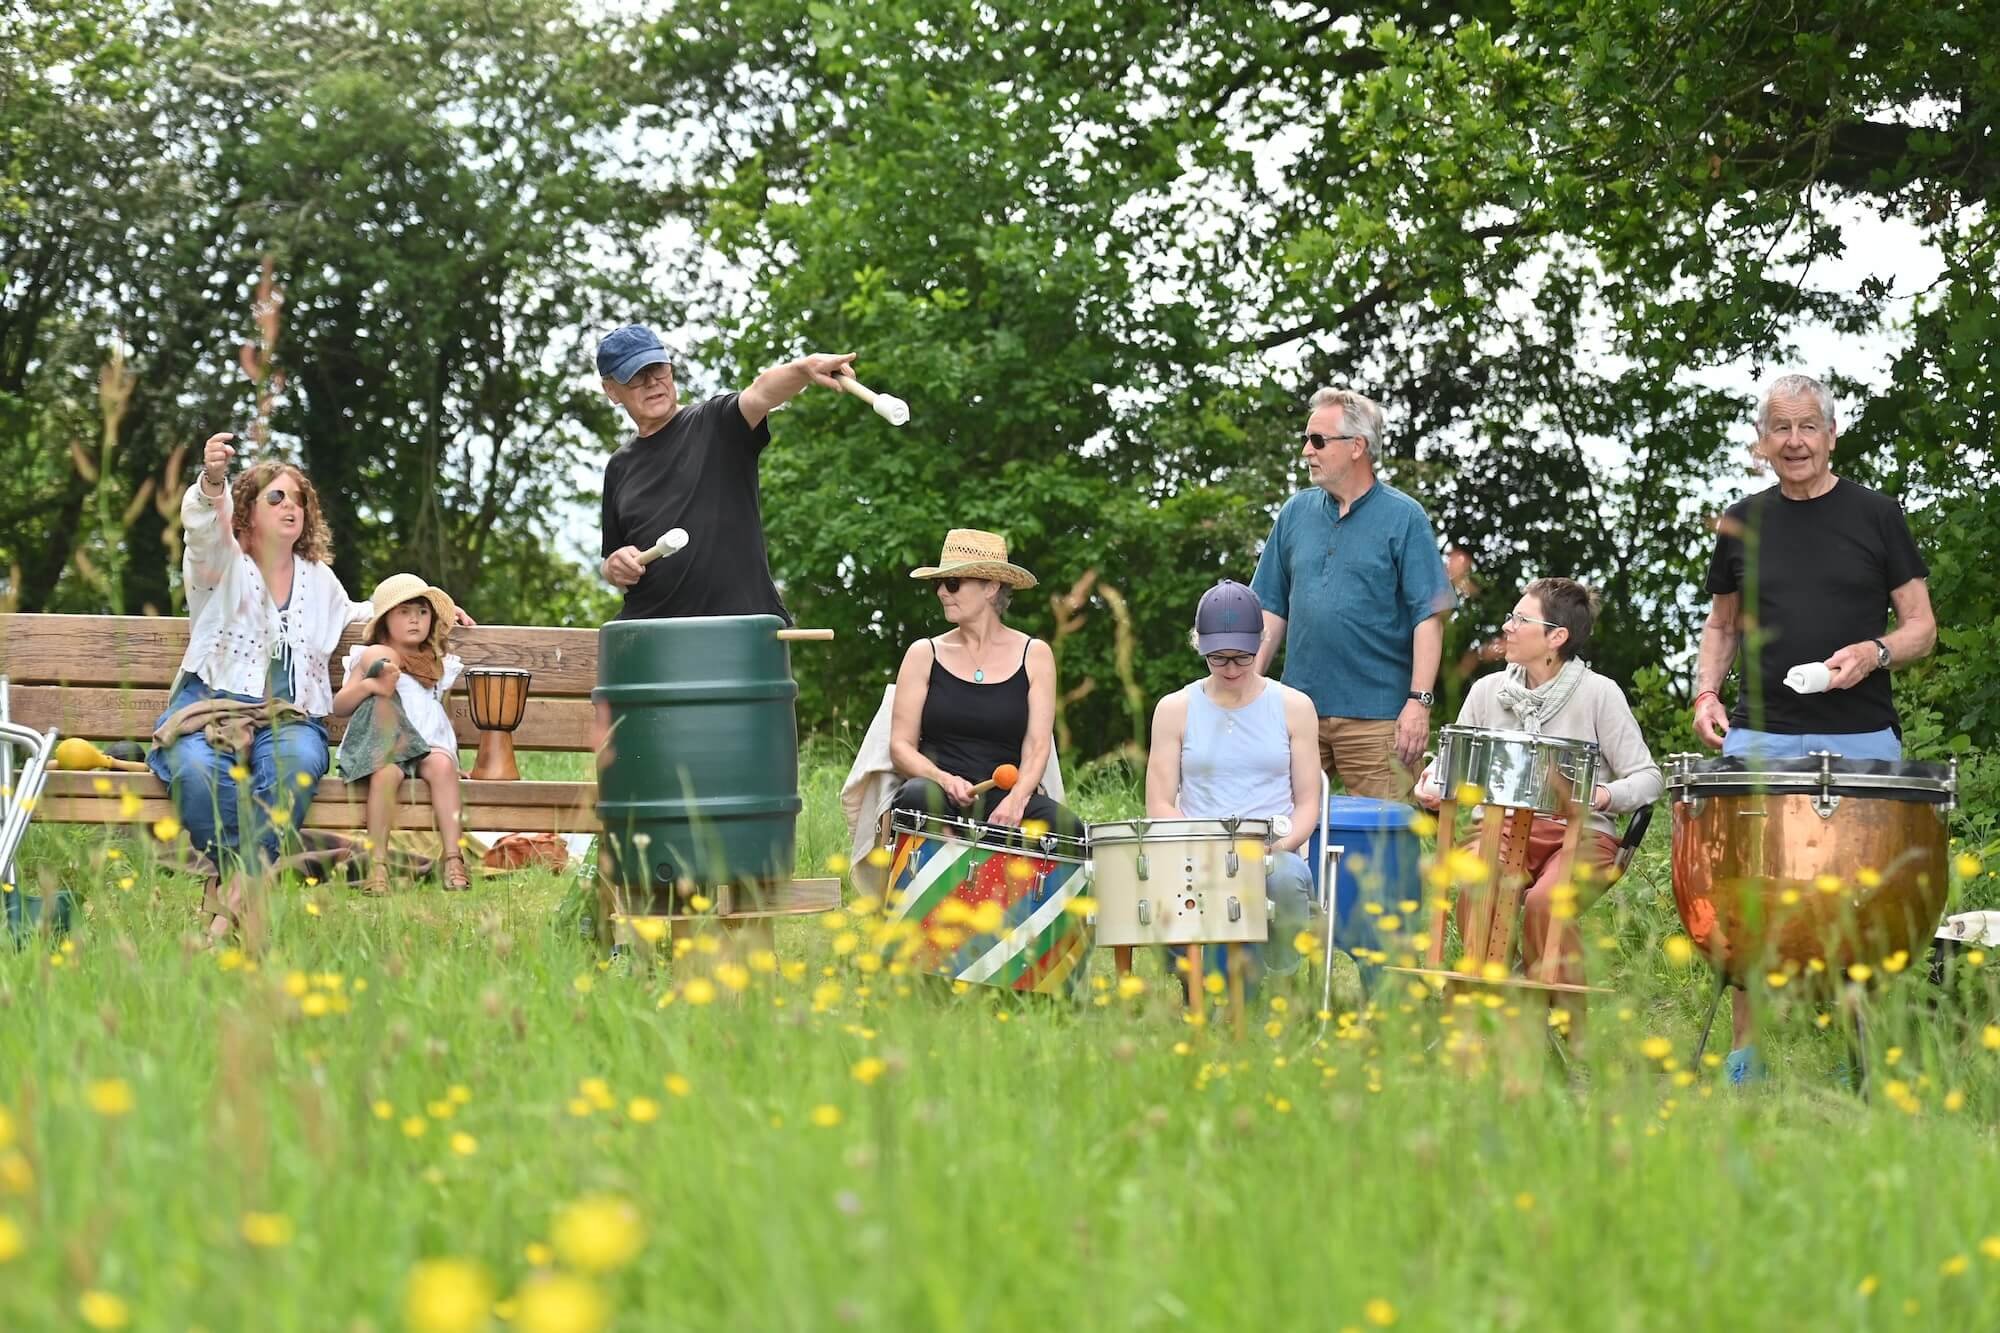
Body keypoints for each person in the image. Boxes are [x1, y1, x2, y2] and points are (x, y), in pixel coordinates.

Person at [1691, 372, 1937, 1082]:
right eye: (1781, 428)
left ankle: (1858, 1059)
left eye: (1808, 427)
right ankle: (1747, 1061)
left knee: (1864, 900)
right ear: (1763, 441)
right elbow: (1722, 625)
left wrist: (1876, 651)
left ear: (1832, 434)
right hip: (1760, 736)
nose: (1794, 442)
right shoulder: (1742, 519)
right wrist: (1707, 689)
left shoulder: (1877, 514)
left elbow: (1921, 626)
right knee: (1745, 900)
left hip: (1861, 735)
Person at [148, 435, 371, 939]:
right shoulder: (219, 565)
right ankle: (242, 891)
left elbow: (359, 613)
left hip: (290, 717)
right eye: (277, 497)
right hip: (211, 708)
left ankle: (224, 911)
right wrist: (212, 481)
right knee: (196, 772)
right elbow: (204, 529)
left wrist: (428, 603)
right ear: (246, 510)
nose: (291, 505)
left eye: (299, 499)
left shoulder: (319, 578)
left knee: (296, 767)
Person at [1416, 578, 1662, 1029]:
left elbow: (1649, 779)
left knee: (1548, 902)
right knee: (1479, 883)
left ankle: (1565, 1029)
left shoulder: (1599, 694)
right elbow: (1449, 762)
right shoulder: (1487, 692)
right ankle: (1483, 1011)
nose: (1507, 627)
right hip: (1500, 827)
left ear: (1556, 637)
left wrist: (1604, 795)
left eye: (1520, 619)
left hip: (1582, 835)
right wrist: (1431, 781)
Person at [1251, 386, 1456, 800]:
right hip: (1297, 714)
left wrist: (1418, 702)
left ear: (1357, 446)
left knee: (1384, 848)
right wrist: (1245, 691)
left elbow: (1428, 617)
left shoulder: (1405, 518)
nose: (1307, 451)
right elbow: (1269, 610)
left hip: (1379, 720)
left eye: (1318, 440)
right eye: (1306, 439)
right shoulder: (1295, 513)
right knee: (1280, 835)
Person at [594, 324, 857, 621]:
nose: (652, 382)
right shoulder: (619, 466)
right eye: (636, 377)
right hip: (653, 635)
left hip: (738, 628)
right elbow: (611, 558)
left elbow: (759, 394)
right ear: (611, 390)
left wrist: (803, 369)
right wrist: (614, 567)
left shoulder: (715, 423)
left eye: (658, 369)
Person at [1144, 580, 1320, 986]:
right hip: (1195, 845)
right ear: (1199, 646)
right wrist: (1200, 841)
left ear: (1262, 641)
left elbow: (1308, 802)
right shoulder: (1175, 709)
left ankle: (1281, 985)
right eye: (1217, 658)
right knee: (1160, 876)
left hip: (1272, 848)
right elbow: (1159, 802)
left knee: (1287, 878)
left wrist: (1280, 845)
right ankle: (1193, 987)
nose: (1231, 670)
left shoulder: (1294, 707)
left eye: (1242, 657)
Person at [887, 529, 1081, 838]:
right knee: (915, 798)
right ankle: (945, 879)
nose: (941, 593)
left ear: (990, 587)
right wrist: (944, 779)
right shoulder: (924, 653)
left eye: (952, 584)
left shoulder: (1035, 655)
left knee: (1071, 831)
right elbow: (900, 747)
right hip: (938, 791)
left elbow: (1038, 745)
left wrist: (1017, 799)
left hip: (1006, 793)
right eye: (939, 584)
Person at [332, 574, 470, 896]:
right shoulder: (372, 656)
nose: (415, 620)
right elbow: (340, 705)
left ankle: (453, 858)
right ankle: (377, 864)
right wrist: (369, 684)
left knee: (442, 767)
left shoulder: (436, 663)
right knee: (386, 772)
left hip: (427, 744)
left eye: (422, 612)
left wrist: (452, 757)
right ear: (384, 621)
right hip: (388, 744)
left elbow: (437, 715)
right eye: (404, 612)